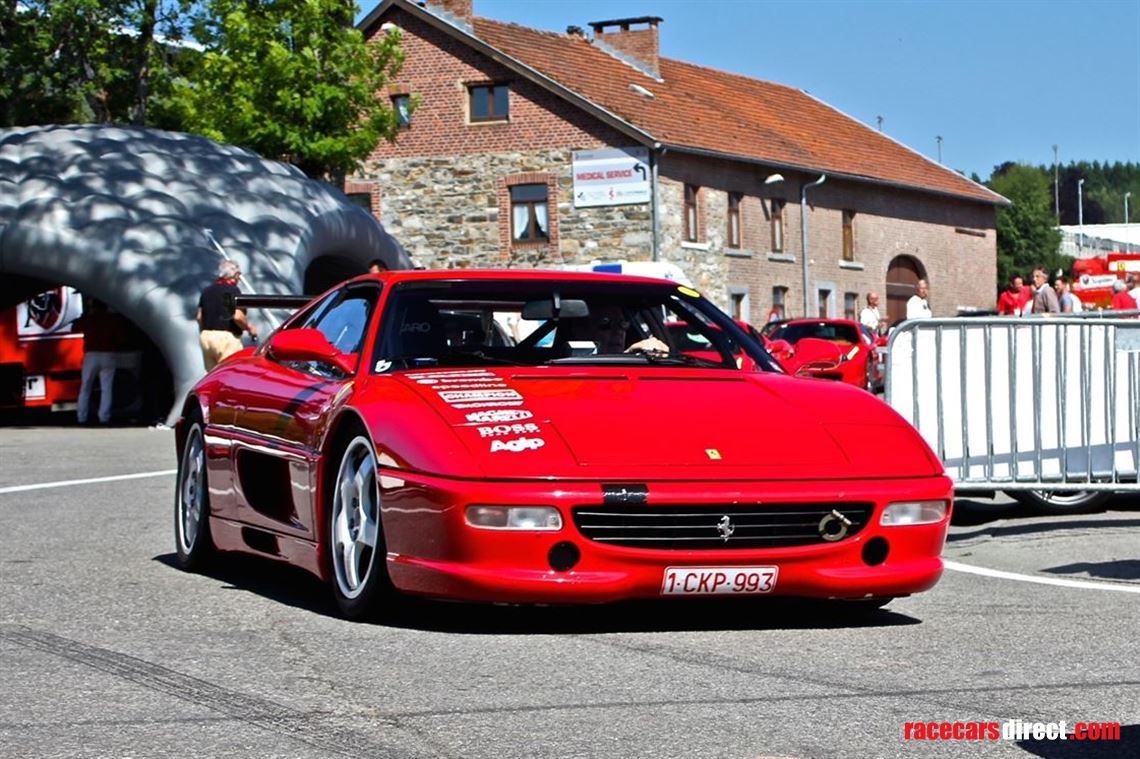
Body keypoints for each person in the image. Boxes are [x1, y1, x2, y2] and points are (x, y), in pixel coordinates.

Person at [74, 298, 130, 425]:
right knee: (106, 387)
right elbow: (121, 337)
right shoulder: (112, 319)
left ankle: (81, 417)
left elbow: (74, 328)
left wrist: (84, 316)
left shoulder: (89, 319)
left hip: (91, 354)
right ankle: (104, 417)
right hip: (108, 354)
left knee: (86, 387)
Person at [197, 259, 257, 371]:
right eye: (239, 275)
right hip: (226, 339)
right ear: (235, 274)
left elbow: (199, 317)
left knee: (212, 376)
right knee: (229, 374)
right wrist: (249, 328)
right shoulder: (231, 291)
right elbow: (236, 316)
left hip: (206, 337)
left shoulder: (206, 291)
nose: (239, 278)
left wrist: (204, 333)